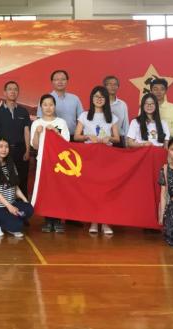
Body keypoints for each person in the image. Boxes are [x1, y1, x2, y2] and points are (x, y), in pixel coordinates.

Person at [74, 86, 120, 236]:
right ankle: (94, 221)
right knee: (92, 189)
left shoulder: (112, 117)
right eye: (96, 96)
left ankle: (105, 222)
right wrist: (88, 136)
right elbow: (76, 136)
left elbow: (117, 138)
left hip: (107, 157)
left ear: (106, 99)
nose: (99, 99)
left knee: (106, 189)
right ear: (92, 98)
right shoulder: (84, 115)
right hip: (90, 157)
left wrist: (109, 138)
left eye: (102, 97)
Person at [31, 94, 70, 233]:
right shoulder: (36, 123)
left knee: (58, 190)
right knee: (46, 190)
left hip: (59, 163)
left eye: (51, 104)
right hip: (43, 162)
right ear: (41, 107)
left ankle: (58, 220)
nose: (48, 107)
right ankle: (48, 220)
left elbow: (66, 143)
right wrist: (37, 133)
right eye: (45, 105)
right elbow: (35, 146)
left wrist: (55, 132)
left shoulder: (61, 122)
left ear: (55, 106)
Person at [0, 136, 33, 238]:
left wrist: (25, 200)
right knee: (17, 226)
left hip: (12, 203)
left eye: (6, 147)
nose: (4, 149)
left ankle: (8, 220)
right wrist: (9, 207)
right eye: (0, 146)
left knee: (29, 209)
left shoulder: (11, 164)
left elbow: (15, 187)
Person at [0, 81, 31, 197]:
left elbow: (26, 132)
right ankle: (6, 205)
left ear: (18, 92)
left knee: (22, 179)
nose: (13, 91)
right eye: (10, 89)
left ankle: (23, 205)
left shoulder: (23, 111)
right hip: (4, 151)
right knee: (5, 180)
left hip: (21, 150)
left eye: (15, 89)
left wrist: (28, 150)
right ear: (5, 92)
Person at [36, 70, 83, 138]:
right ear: (52, 82)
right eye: (57, 79)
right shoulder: (45, 99)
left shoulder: (75, 98)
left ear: (67, 81)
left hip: (73, 137)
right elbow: (40, 119)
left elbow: (81, 119)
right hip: (53, 137)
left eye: (63, 79)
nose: (60, 82)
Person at [103, 75, 129, 146]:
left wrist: (127, 142)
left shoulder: (122, 104)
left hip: (119, 140)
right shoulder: (100, 103)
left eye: (115, 84)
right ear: (105, 86)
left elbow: (126, 125)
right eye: (110, 84)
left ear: (118, 87)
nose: (113, 86)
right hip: (103, 140)